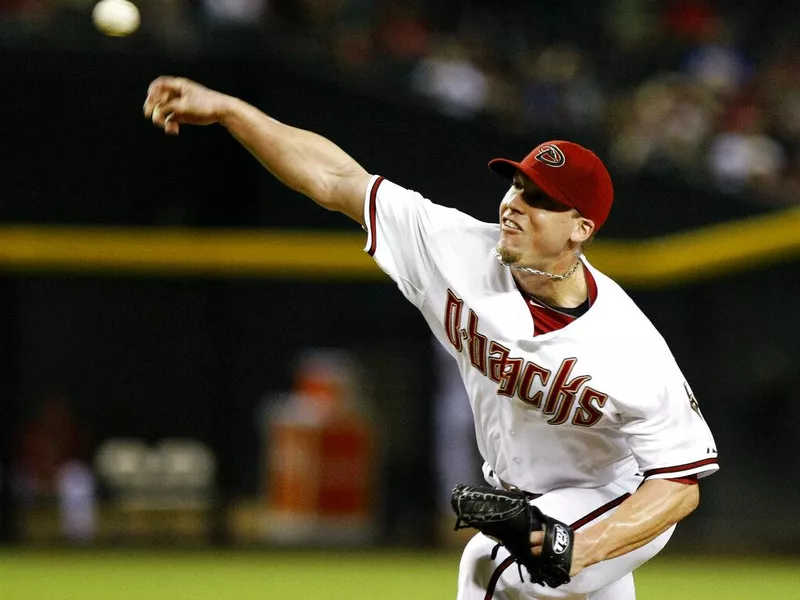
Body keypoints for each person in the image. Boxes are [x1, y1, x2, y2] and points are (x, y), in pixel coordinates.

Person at [143, 77, 719, 599]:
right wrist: (231, 110)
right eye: (516, 186)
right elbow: (336, 180)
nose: (514, 204)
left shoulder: (629, 346)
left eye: (540, 198)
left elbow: (679, 485)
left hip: (614, 503)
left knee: (488, 563)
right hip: (530, 499)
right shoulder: (455, 250)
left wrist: (579, 547)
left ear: (581, 229)